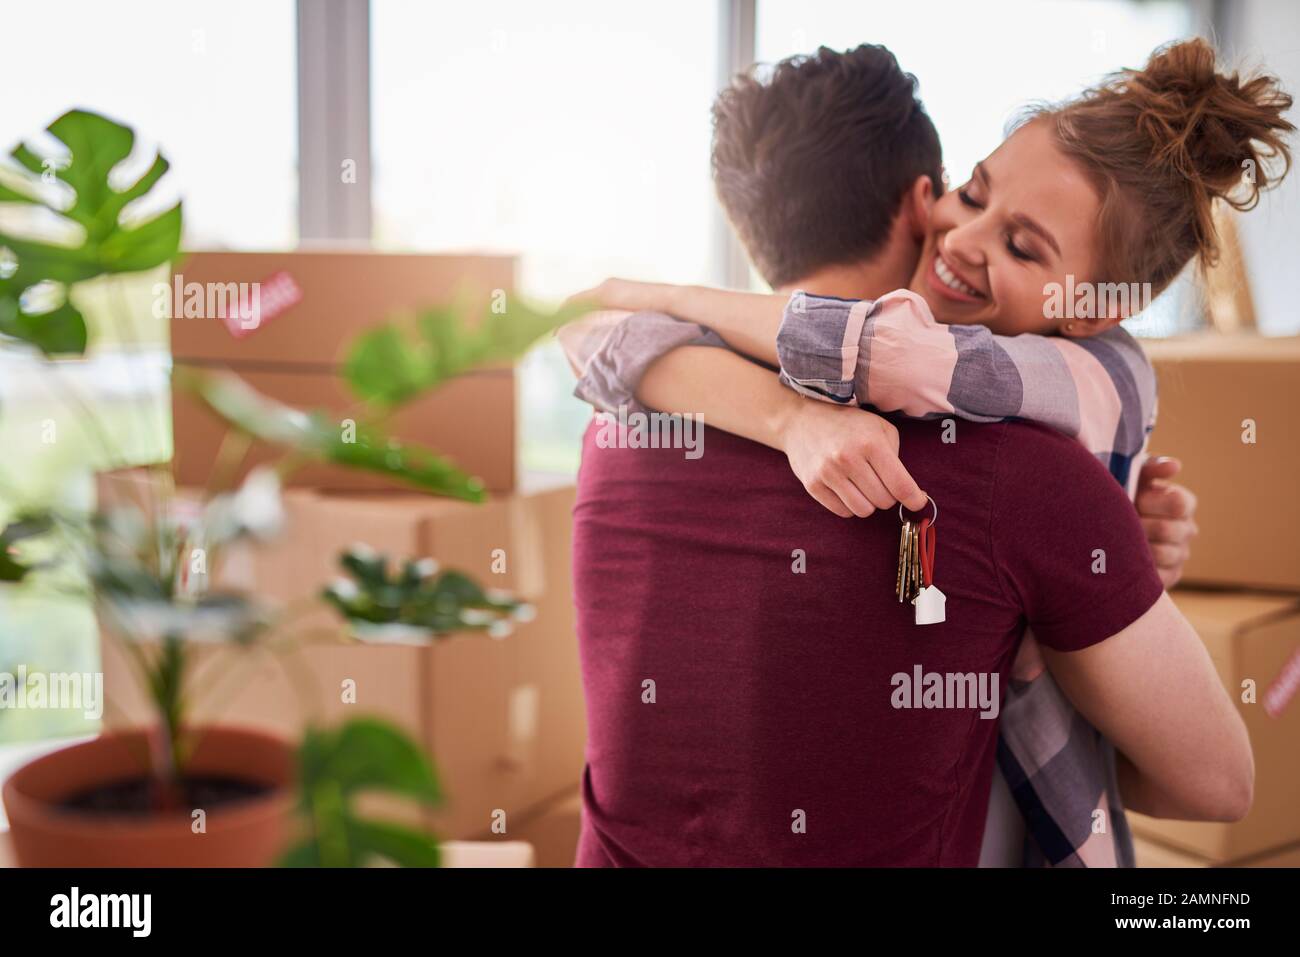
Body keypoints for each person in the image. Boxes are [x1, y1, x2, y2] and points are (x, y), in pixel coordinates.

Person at [568, 40, 1272, 865]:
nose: (965, 238)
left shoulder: (619, 424)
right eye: (970, 194)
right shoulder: (1031, 479)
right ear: (921, 199)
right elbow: (1215, 784)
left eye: (1023, 245)